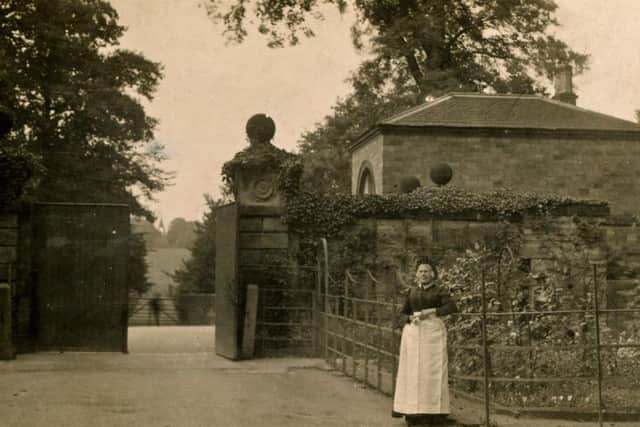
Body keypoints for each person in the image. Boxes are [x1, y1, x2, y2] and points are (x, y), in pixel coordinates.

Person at [392, 260, 458, 426]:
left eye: (427, 271)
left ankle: (434, 413)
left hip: (433, 335)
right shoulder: (411, 292)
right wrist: (408, 318)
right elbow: (401, 314)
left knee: (432, 373)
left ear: (433, 274)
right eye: (421, 271)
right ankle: (412, 412)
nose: (424, 274)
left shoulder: (440, 290)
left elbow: (452, 307)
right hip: (413, 334)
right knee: (413, 372)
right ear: (416, 274)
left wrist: (433, 311)